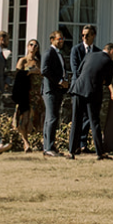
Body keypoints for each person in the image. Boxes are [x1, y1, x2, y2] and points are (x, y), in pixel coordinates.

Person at [65, 42, 113, 161]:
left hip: (78, 89)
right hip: (93, 92)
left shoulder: (89, 55)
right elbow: (108, 81)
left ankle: (71, 152)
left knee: (76, 121)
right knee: (94, 122)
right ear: (112, 51)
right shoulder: (109, 61)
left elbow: (79, 71)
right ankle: (100, 152)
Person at [40, 30, 68, 158]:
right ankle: (48, 147)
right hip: (50, 90)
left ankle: (50, 146)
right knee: (51, 118)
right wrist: (59, 81)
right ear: (52, 40)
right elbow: (44, 70)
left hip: (57, 90)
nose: (61, 41)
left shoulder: (59, 54)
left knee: (52, 118)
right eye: (59, 39)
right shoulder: (49, 53)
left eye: (62, 39)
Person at [10, 52, 33, 152]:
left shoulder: (38, 61)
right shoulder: (22, 61)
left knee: (35, 120)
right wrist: (31, 71)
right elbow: (18, 74)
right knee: (23, 119)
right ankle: (26, 143)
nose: (33, 47)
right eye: (31, 44)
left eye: (36, 45)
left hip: (36, 94)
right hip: (24, 93)